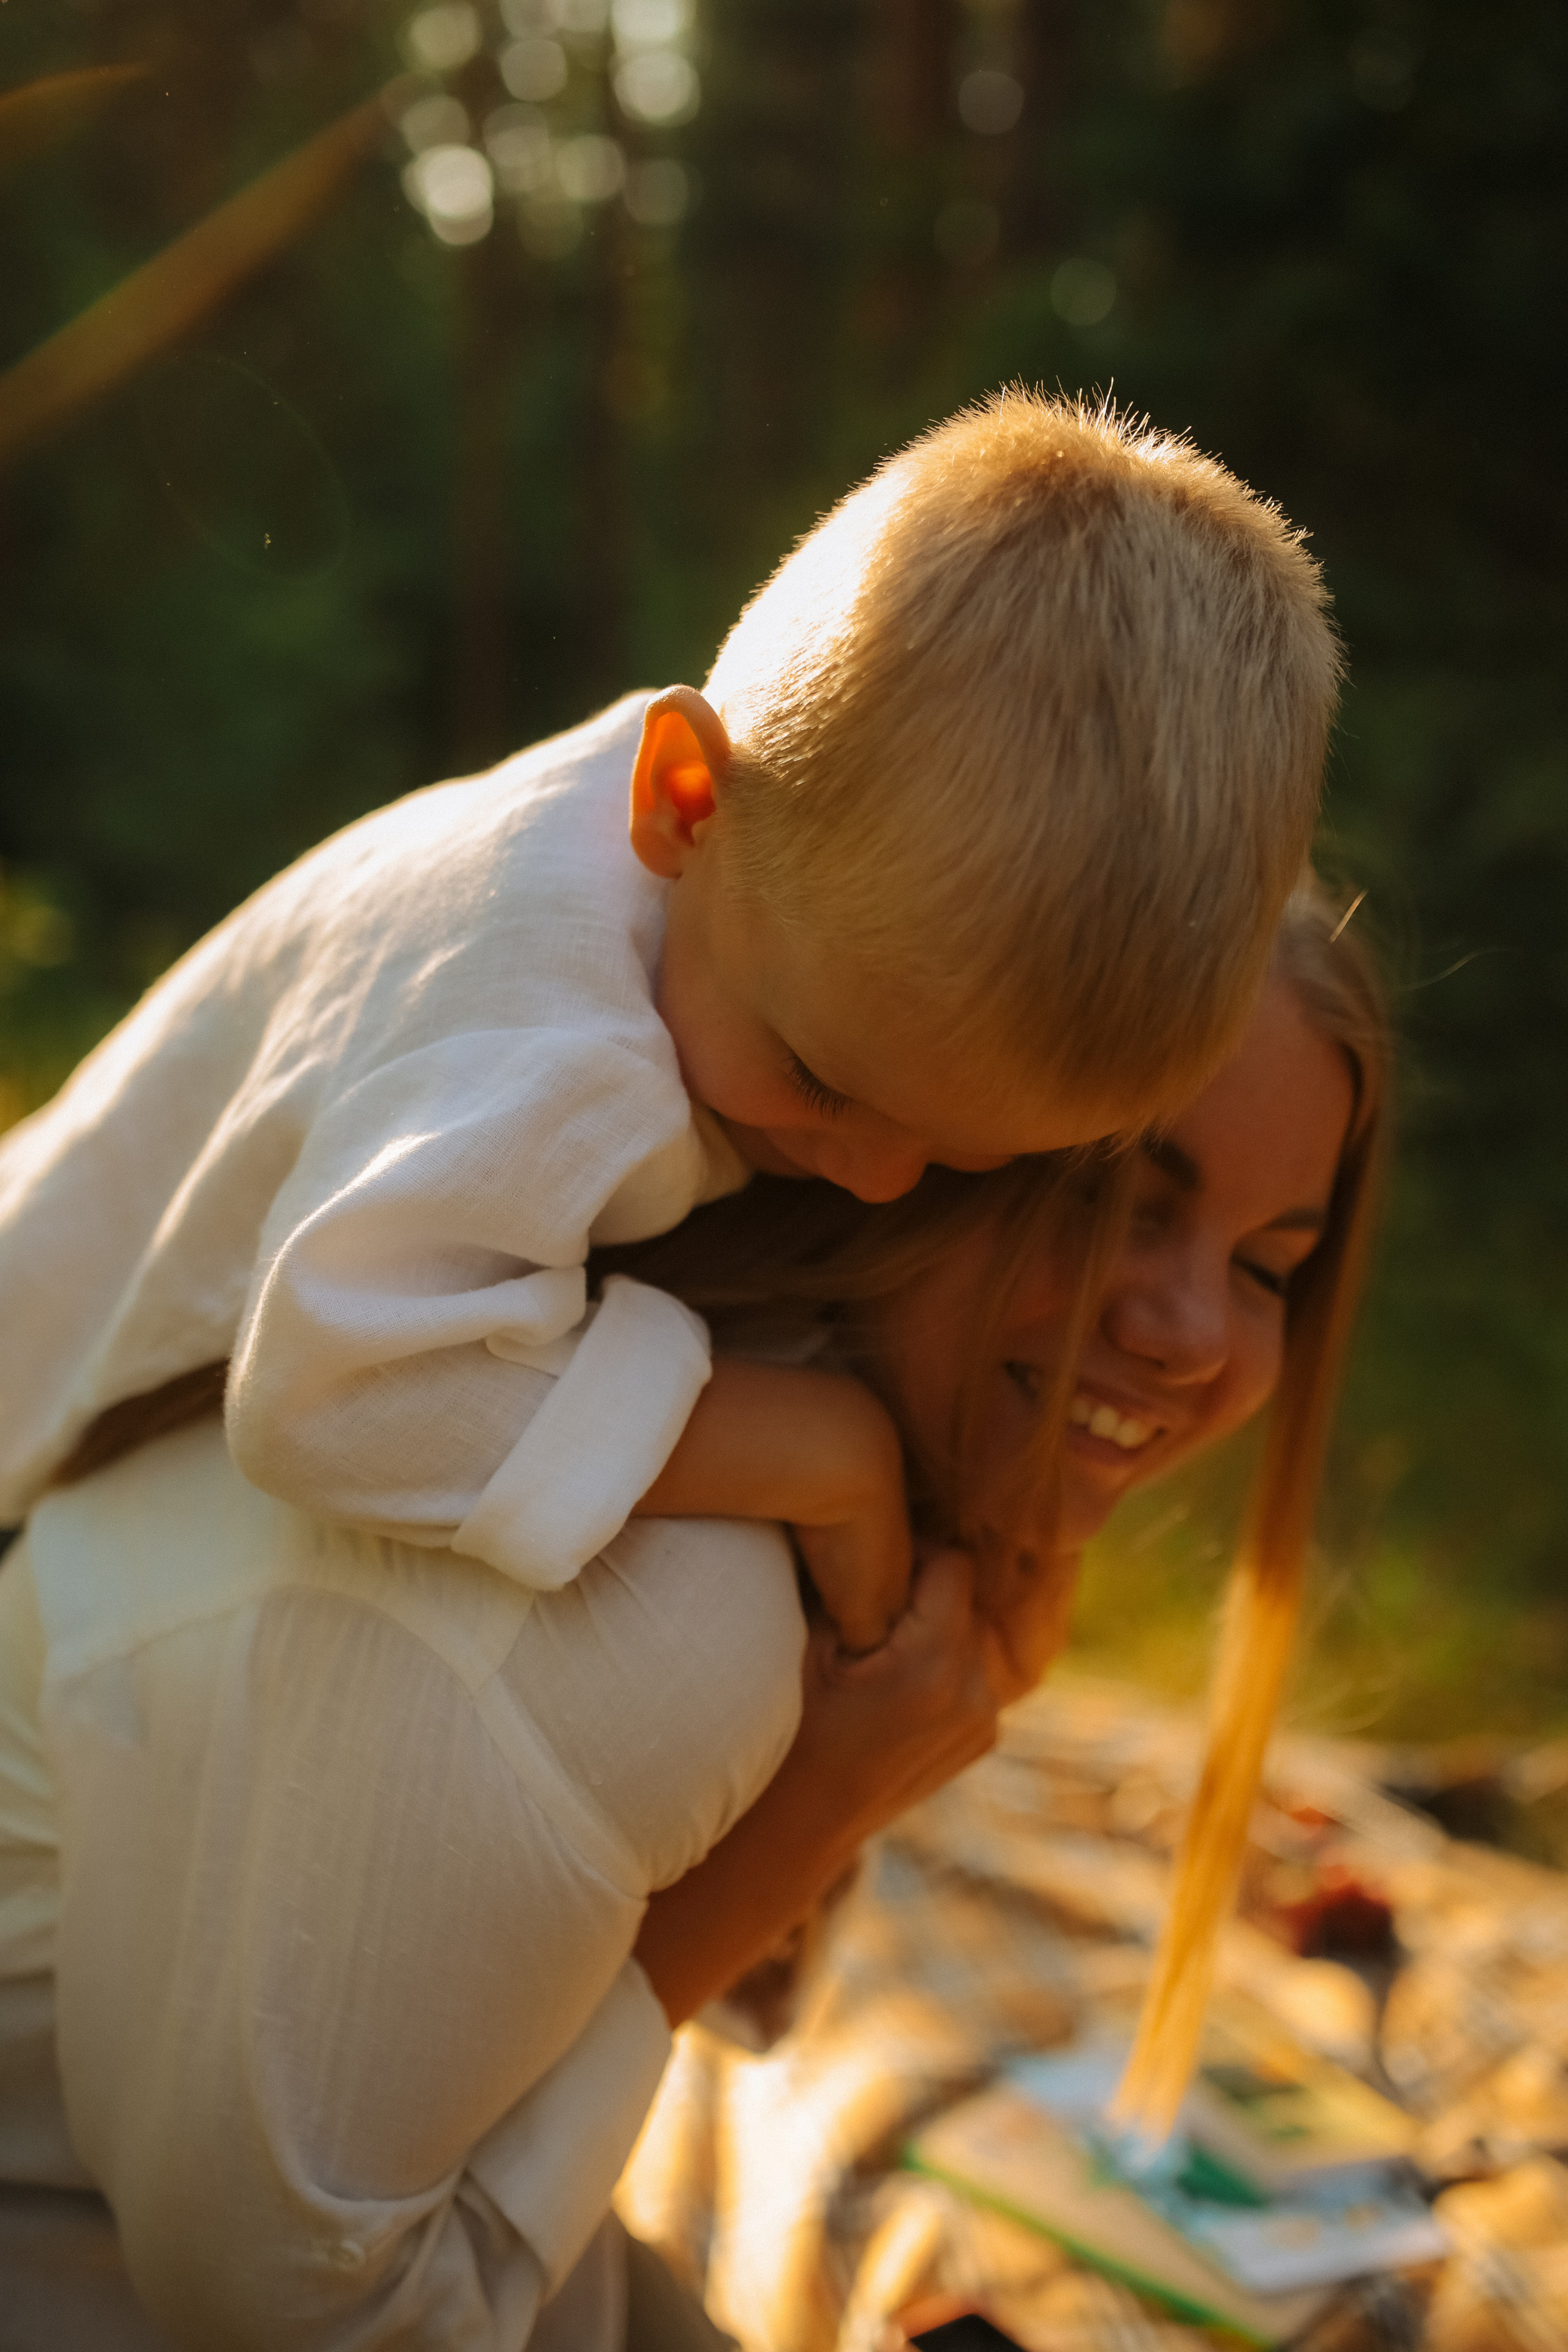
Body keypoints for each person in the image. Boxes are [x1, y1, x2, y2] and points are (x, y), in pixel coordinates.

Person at [0, 878, 1386, 2349]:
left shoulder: (822, 1485)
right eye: (1114, 1201)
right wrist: (803, 1821)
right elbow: (316, 2320)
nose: (1185, 1334)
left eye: (1263, 1268)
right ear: (930, 1133)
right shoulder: (655, 1611)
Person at [0, 394, 1340, 1656]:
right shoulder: (550, 1046)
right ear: (683, 798)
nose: (876, 1177)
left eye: (962, 1153)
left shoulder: (745, 851)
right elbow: (327, 1403)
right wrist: (817, 1449)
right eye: (820, 1080)